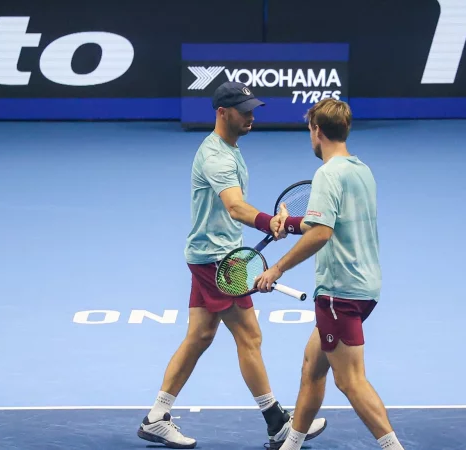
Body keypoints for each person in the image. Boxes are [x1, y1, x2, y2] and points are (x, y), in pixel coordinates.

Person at [136, 81, 327, 449]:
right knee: (250, 336)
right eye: (244, 111)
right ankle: (277, 424)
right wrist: (270, 221)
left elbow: (235, 207)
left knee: (200, 336)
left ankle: (156, 417)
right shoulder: (218, 158)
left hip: (212, 253)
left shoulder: (228, 148)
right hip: (217, 260)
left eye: (253, 109)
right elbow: (236, 207)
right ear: (222, 113)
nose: (252, 117)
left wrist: (266, 222)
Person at [254, 98, 406, 450]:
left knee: (350, 381)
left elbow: (321, 233)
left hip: (340, 292)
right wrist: (287, 224)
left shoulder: (327, 173)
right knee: (312, 365)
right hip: (365, 286)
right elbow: (320, 221)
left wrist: (277, 268)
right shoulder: (360, 170)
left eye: (310, 130)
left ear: (317, 131)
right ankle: (291, 444)